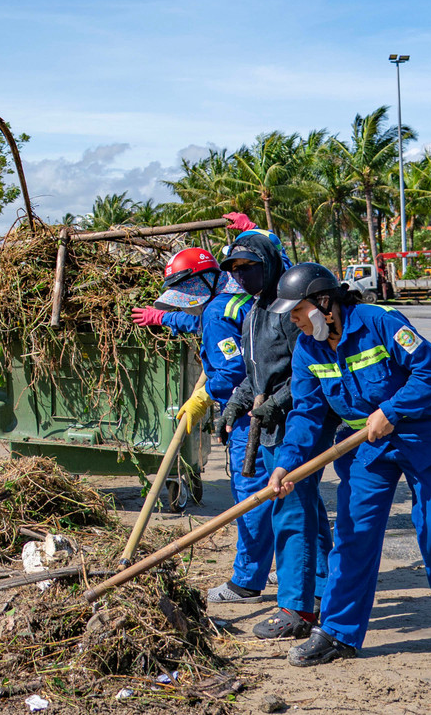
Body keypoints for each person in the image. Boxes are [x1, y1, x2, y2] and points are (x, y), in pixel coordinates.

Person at [267, 261, 431, 666]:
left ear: (324, 302)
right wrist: (288, 464)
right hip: (367, 449)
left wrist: (392, 409)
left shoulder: (380, 322)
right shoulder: (307, 348)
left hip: (425, 436)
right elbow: (306, 414)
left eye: (299, 311)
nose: (295, 321)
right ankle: (339, 633)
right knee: (354, 534)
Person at [132, 246, 281, 611]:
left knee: (252, 497)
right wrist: (162, 319)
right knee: (285, 492)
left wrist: (204, 396)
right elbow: (204, 322)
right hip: (278, 405)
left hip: (250, 413)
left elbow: (232, 372)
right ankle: (293, 568)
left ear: (202, 282)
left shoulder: (216, 311)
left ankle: (246, 582)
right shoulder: (236, 298)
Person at [216, 231, 332, 640]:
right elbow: (256, 376)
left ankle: (296, 607)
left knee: (291, 513)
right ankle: (322, 587)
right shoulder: (252, 313)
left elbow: (304, 374)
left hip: (297, 427)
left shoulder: (288, 311)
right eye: (234, 270)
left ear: (269, 264)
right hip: (269, 430)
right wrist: (237, 402)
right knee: (306, 509)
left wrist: (277, 403)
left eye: (248, 268)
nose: (241, 276)